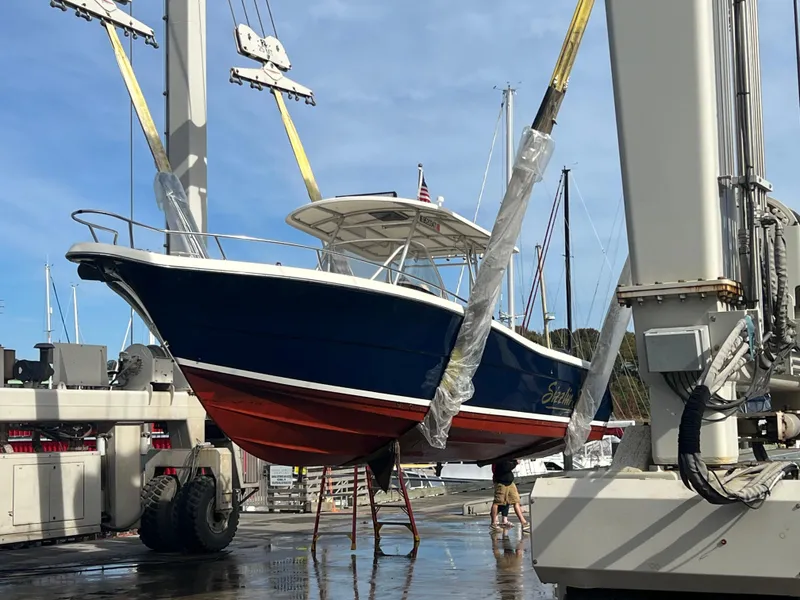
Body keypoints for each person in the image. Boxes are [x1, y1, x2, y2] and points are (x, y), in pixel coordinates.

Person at [490, 459, 530, 534]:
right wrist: (515, 463)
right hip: (501, 483)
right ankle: (493, 523)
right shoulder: (501, 458)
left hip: (510, 482)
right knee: (497, 502)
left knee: (516, 501)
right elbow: (506, 467)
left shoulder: (507, 456)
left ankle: (524, 523)